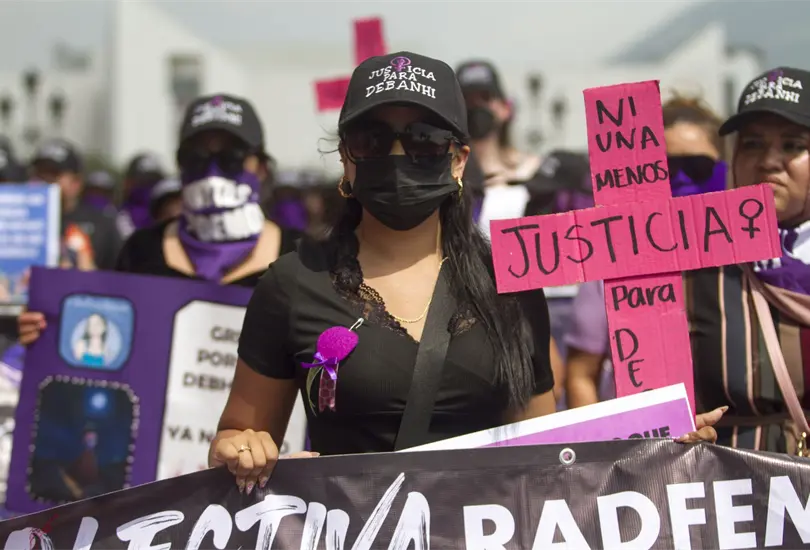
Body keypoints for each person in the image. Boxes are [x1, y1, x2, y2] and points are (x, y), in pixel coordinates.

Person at [208, 52, 720, 494]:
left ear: (458, 160)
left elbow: (546, 454)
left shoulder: (511, 282)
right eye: (371, 139)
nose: (397, 154)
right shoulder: (292, 284)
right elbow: (235, 438)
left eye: (424, 139)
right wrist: (241, 449)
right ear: (346, 158)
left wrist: (657, 441)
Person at [17, 94, 302, 343]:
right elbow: (107, 335)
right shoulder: (142, 251)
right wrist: (49, 329)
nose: (212, 173)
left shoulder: (303, 259)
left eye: (232, 158)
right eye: (195, 157)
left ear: (262, 167)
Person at [565, 95, 729, 408]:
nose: (679, 179)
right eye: (664, 169)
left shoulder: (757, 262)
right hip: (644, 448)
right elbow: (581, 374)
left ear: (725, 168)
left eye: (697, 167)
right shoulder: (611, 262)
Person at [688, 67, 810, 454]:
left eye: (793, 145)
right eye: (753, 144)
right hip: (731, 497)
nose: (769, 161)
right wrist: (680, 425)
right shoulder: (693, 264)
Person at [455, 60, 543, 237]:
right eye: (466, 100)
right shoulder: (446, 176)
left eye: (486, 97)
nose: (476, 106)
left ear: (506, 108)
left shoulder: (534, 170)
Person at [29, 138, 122, 271]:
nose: (45, 181)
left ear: (76, 182)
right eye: (40, 173)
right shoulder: (21, 222)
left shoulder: (103, 225)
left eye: (54, 174)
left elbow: (119, 279)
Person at [116, 153, 165, 239]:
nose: (148, 186)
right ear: (127, 183)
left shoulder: (167, 220)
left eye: (153, 181)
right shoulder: (115, 219)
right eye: (142, 181)